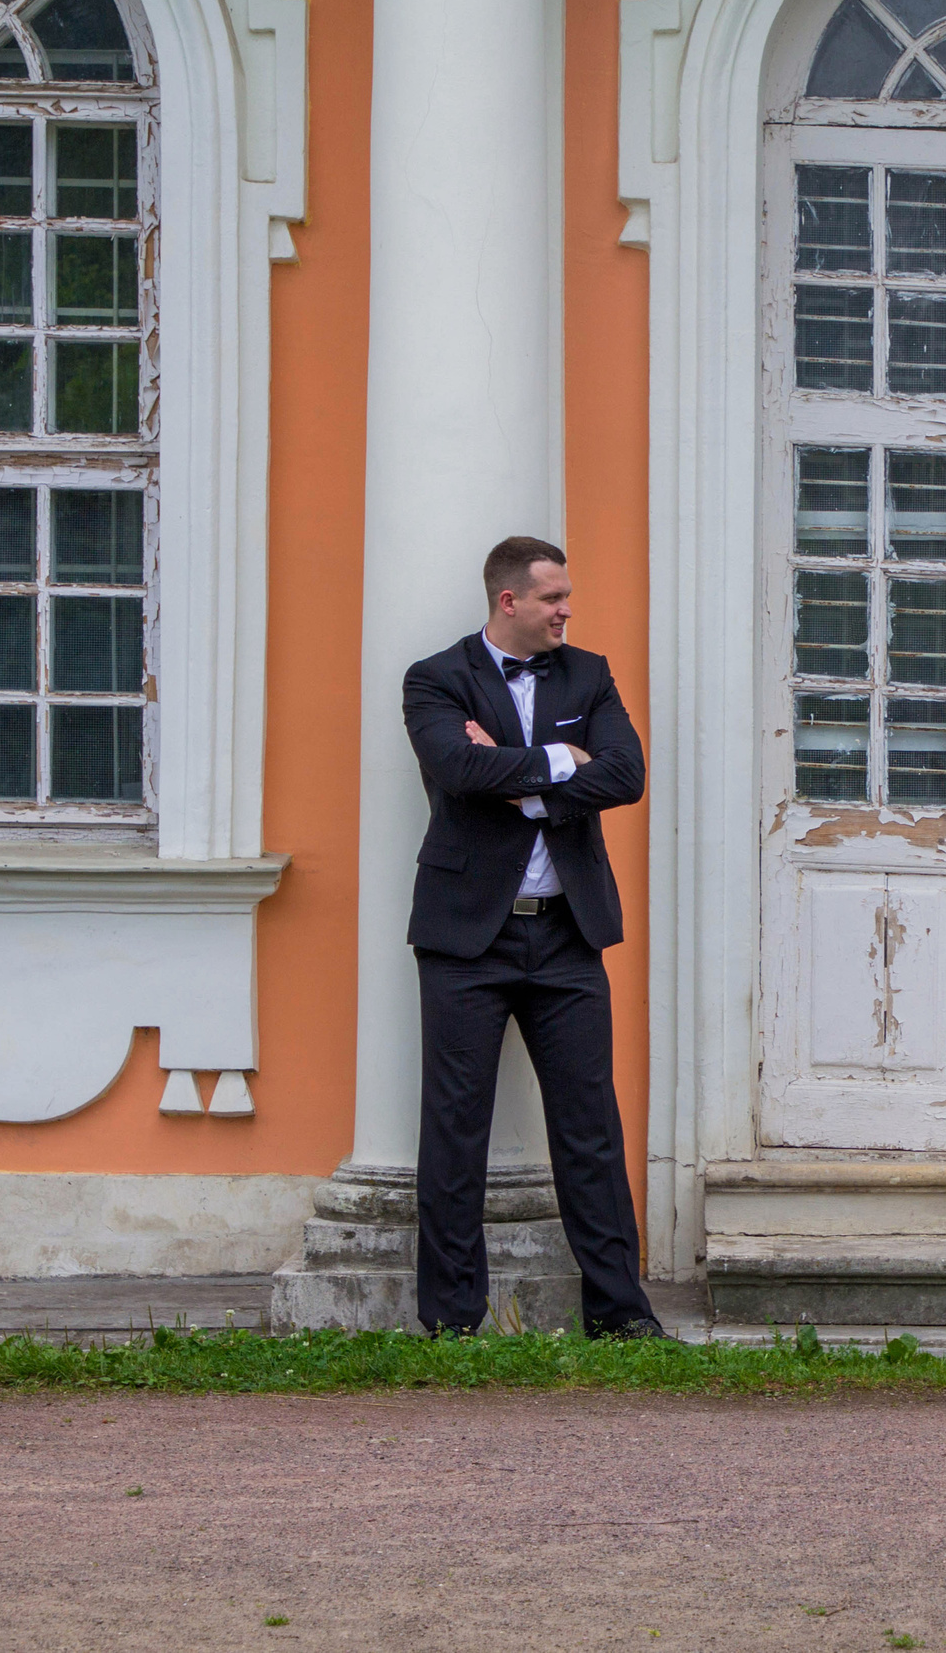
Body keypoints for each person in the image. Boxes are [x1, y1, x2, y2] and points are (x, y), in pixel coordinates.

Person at [402, 536, 665, 1339]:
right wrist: (557, 760)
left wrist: (520, 782)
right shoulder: (437, 678)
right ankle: (451, 1321)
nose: (567, 610)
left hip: (566, 936)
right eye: (553, 598)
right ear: (508, 600)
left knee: (590, 1128)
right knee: (455, 1130)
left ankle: (621, 1316)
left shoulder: (587, 673)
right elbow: (455, 770)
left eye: (568, 597)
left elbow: (625, 774)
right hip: (464, 940)